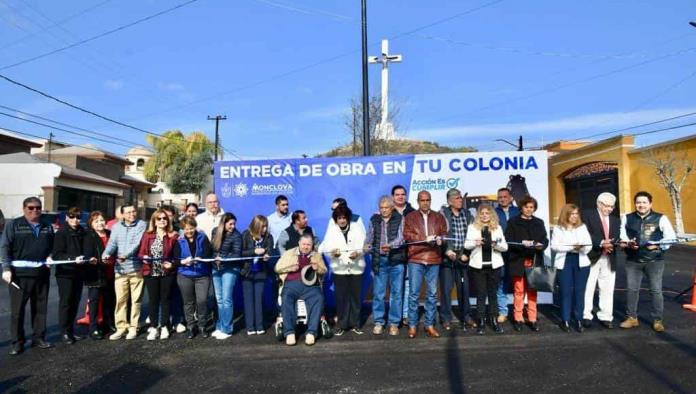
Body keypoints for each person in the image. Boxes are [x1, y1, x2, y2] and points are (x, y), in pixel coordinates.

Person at [1, 197, 54, 355]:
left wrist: (50, 255)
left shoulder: (47, 226)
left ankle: (38, 337)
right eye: (30, 208)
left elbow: (52, 246)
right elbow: (5, 247)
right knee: (18, 311)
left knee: (40, 308)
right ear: (24, 209)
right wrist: (6, 268)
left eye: (38, 208)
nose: (34, 211)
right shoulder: (14, 225)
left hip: (41, 273)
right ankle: (17, 342)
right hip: (19, 274)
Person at [619, 191, 676, 332]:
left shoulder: (661, 218)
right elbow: (622, 235)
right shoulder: (626, 218)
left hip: (654, 260)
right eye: (638, 202)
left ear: (650, 203)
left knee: (656, 290)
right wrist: (627, 243)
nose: (641, 205)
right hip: (633, 260)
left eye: (644, 202)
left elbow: (671, 237)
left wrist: (657, 244)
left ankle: (658, 320)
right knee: (632, 290)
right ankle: (632, 318)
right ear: (635, 204)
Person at [403, 190, 448, 339]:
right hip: (416, 258)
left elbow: (444, 233)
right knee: (414, 294)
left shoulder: (439, 217)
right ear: (418, 201)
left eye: (428, 200)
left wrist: (442, 239)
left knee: (432, 294)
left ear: (430, 201)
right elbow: (407, 235)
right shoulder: (410, 217)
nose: (425, 202)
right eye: (422, 200)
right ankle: (413, 325)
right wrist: (425, 238)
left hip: (434, 258)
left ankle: (429, 324)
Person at [102, 204, 147, 340]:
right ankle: (121, 327)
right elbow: (112, 244)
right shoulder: (116, 227)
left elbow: (138, 243)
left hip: (136, 269)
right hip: (120, 270)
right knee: (121, 300)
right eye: (128, 212)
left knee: (136, 300)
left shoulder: (142, 224)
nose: (132, 214)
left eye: (134, 211)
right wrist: (106, 254)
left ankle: (133, 327)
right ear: (122, 214)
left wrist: (125, 255)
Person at [319, 205, 366, 336]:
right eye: (339, 218)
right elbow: (327, 248)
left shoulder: (356, 227)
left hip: (356, 268)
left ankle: (356, 324)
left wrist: (358, 253)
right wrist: (333, 253)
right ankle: (342, 325)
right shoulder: (332, 230)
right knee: (341, 299)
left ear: (348, 218)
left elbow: (364, 245)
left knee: (355, 298)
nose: (342, 220)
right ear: (336, 219)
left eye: (344, 218)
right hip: (339, 270)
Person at [504, 195, 548, 332]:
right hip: (518, 260)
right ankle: (518, 318)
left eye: (531, 207)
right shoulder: (513, 222)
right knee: (519, 291)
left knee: (533, 291)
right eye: (526, 207)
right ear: (521, 208)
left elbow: (544, 239)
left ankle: (533, 318)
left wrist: (541, 245)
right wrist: (522, 244)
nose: (529, 210)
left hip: (534, 259)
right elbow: (508, 241)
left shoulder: (539, 222)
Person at [275, 234, 327, 346]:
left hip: (311, 286)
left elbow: (324, 270)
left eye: (308, 244)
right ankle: (289, 332)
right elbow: (277, 268)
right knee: (286, 297)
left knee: (318, 297)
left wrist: (317, 268)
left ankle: (311, 332)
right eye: (304, 244)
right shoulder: (289, 253)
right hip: (291, 284)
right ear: (299, 243)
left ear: (312, 245)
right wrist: (290, 268)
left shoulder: (316, 256)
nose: (306, 247)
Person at [365, 196, 406, 336]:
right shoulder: (373, 220)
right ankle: (379, 322)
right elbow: (369, 238)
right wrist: (366, 246)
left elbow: (401, 238)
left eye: (386, 208)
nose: (383, 210)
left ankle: (394, 323)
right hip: (380, 261)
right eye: (381, 208)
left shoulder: (400, 218)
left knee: (396, 294)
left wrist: (391, 246)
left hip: (396, 261)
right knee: (378, 294)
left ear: (392, 207)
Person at [465, 204, 508, 334]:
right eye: (482, 213)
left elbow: (505, 247)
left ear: (491, 215)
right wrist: (475, 243)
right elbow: (466, 245)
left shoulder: (497, 227)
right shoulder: (472, 227)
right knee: (481, 295)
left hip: (494, 266)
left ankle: (494, 321)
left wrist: (496, 245)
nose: (484, 215)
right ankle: (481, 322)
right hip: (478, 266)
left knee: (493, 295)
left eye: (487, 213)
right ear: (478, 215)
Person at [138, 209, 179, 340]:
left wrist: (171, 264)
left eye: (164, 218)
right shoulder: (147, 235)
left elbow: (175, 256)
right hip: (151, 272)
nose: (162, 220)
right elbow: (140, 253)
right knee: (153, 301)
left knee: (165, 300)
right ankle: (154, 327)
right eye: (159, 218)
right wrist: (143, 257)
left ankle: (165, 326)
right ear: (154, 221)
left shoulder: (173, 236)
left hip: (166, 273)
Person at [581, 192, 620, 329]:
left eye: (611, 207)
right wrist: (601, 242)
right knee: (588, 287)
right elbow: (584, 233)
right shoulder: (587, 215)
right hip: (592, 256)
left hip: (609, 257)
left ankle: (606, 316)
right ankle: (586, 315)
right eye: (606, 206)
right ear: (599, 203)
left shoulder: (616, 220)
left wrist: (612, 244)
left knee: (607, 289)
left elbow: (617, 237)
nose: (609, 209)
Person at [439, 188, 476, 331]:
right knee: (447, 290)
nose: (460, 200)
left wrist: (466, 253)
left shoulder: (467, 214)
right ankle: (446, 318)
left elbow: (472, 234)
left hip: (463, 258)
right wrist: (447, 250)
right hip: (447, 259)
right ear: (449, 201)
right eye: (456, 198)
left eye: (460, 198)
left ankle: (466, 316)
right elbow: (441, 234)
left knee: (464, 289)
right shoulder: (442, 214)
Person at [551, 204, 592, 333]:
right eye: (572, 213)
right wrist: (571, 247)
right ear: (566, 214)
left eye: (576, 214)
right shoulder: (558, 228)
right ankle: (565, 320)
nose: (575, 216)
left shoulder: (582, 227)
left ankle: (579, 319)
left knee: (580, 292)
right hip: (565, 261)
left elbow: (589, 244)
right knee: (565, 291)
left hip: (581, 261)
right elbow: (555, 246)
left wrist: (582, 247)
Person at [174, 216, 213, 339]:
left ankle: (202, 325)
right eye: (186, 229)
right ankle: (191, 326)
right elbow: (176, 259)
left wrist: (202, 259)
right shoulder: (179, 240)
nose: (189, 231)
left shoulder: (203, 237)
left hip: (202, 274)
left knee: (202, 301)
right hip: (185, 274)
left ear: (195, 227)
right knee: (188, 302)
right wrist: (183, 262)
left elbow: (208, 253)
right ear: (182, 229)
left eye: (191, 228)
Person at [52, 206, 87, 344]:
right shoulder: (61, 232)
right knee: (66, 303)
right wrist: (73, 258)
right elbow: (57, 254)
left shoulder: (82, 231)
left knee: (75, 302)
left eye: (78, 217)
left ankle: (71, 329)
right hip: (65, 273)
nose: (75, 220)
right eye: (72, 217)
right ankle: (64, 332)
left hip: (78, 272)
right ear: (67, 217)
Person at [82, 211, 115, 340]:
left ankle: (108, 324)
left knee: (109, 300)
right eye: (96, 221)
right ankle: (93, 328)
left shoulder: (110, 234)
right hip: (95, 273)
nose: (100, 223)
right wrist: (95, 260)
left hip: (110, 271)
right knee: (94, 301)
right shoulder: (89, 236)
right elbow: (87, 254)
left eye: (101, 220)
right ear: (91, 224)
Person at [211, 213, 243, 339]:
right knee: (219, 299)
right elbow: (212, 249)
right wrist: (215, 259)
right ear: (223, 223)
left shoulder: (237, 235)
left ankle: (227, 329)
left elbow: (237, 254)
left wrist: (223, 259)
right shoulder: (215, 232)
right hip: (216, 269)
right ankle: (220, 326)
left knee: (226, 299)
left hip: (230, 269)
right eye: (230, 224)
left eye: (234, 224)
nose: (233, 226)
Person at [241, 215, 274, 335]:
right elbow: (241, 253)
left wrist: (267, 256)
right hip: (247, 272)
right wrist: (253, 252)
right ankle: (250, 327)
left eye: (266, 226)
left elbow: (270, 250)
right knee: (248, 300)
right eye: (262, 226)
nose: (265, 229)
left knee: (258, 299)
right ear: (256, 226)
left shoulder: (268, 237)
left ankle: (260, 325)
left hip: (261, 272)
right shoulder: (245, 235)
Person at [494, 187, 519, 324]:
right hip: (500, 252)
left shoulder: (518, 211)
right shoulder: (494, 213)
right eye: (500, 197)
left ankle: (518, 311)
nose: (502, 199)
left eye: (505, 196)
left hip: (516, 253)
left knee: (518, 283)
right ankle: (503, 311)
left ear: (510, 198)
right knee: (501, 282)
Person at [391, 185, 415, 326]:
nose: (400, 196)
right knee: (396, 288)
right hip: (394, 256)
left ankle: (406, 315)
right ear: (393, 197)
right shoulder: (387, 212)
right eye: (397, 194)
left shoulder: (412, 212)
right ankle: (396, 316)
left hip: (410, 255)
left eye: (402, 194)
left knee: (408, 287)